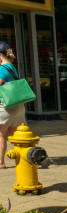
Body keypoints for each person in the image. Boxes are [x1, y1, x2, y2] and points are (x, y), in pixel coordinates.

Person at [0, 41, 25, 169]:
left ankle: (1, 163)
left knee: (1, 135)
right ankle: (22, 159)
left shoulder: (2, 68)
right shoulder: (12, 67)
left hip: (7, 107)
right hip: (18, 106)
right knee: (15, 136)